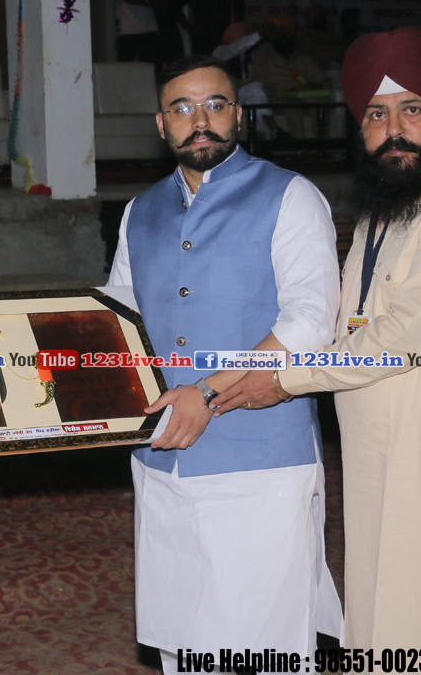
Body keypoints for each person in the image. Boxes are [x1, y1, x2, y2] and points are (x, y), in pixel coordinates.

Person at [214, 27, 421, 654]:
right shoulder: (389, 203)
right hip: (379, 456)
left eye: (412, 109)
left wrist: (282, 379)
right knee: (386, 613)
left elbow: (402, 336)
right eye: (375, 114)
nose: (394, 130)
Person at [107, 54, 343, 671]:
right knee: (181, 638)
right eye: (182, 107)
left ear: (238, 114)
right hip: (162, 457)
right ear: (161, 124)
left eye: (215, 104)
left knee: (260, 645)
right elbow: (119, 325)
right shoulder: (139, 212)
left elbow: (310, 320)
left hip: (260, 460)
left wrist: (207, 392)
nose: (200, 120)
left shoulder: (290, 195)